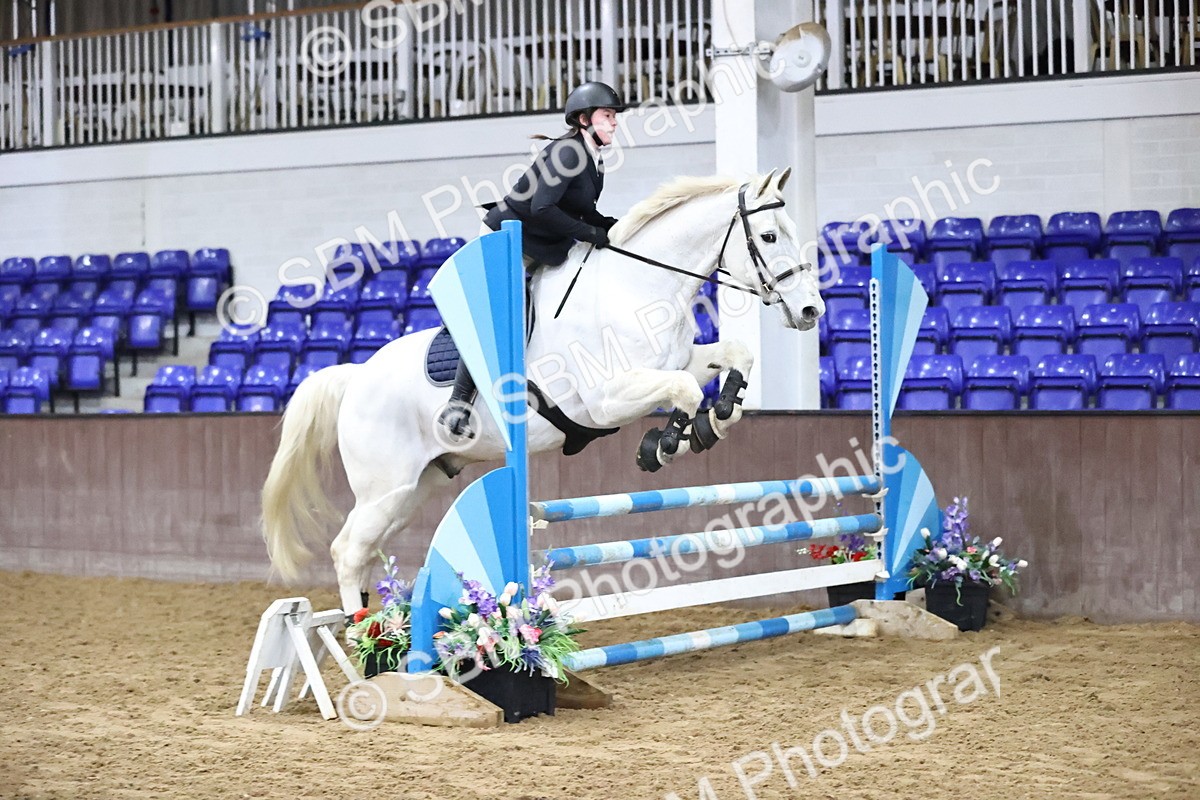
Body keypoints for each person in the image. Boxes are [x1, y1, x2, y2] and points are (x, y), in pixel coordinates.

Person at [438, 82, 626, 440]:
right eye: (608, 115)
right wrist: (588, 234)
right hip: (506, 239)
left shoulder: (593, 159)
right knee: (509, 312)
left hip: (541, 241)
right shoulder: (567, 153)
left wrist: (611, 227)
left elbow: (582, 211)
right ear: (585, 119)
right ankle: (458, 402)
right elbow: (542, 207)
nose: (614, 122)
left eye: (615, 116)